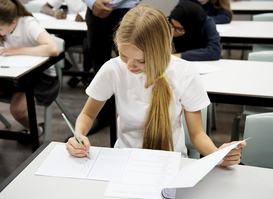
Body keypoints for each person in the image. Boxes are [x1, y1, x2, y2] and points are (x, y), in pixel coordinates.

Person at [66, 4, 246, 167]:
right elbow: (88, 114)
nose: (129, 66)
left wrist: (217, 155)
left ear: (160, 52)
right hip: (125, 161)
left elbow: (198, 135)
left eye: (141, 60)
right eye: (123, 55)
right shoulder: (114, 69)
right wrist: (79, 135)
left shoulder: (184, 72)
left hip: (171, 163)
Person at [0, 0, 60, 136]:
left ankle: (35, 131)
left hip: (41, 76)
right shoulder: (4, 25)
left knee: (18, 110)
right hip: (13, 72)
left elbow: (53, 49)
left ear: (14, 22)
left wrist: (16, 50)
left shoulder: (28, 23)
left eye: (0, 29)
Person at [82, 0, 139, 134]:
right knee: (99, 66)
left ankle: (136, 118)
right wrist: (93, 2)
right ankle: (102, 116)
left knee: (135, 66)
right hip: (95, 11)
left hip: (126, 10)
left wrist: (111, 2)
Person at [40, 0, 91, 87]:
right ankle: (78, 73)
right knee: (52, 45)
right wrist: (55, 13)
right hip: (73, 29)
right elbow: (44, 8)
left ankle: (85, 74)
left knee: (90, 46)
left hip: (91, 28)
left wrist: (84, 15)